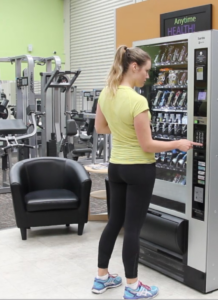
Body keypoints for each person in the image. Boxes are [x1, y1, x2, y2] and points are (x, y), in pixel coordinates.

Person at [91, 45, 202, 299]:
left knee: (114, 223)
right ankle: (132, 286)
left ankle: (102, 278)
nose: (147, 77)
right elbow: (147, 145)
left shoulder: (106, 93)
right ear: (133, 67)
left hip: (116, 167)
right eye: (146, 71)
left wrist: (122, 131)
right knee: (132, 228)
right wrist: (178, 143)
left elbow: (101, 127)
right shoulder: (137, 100)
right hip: (139, 169)